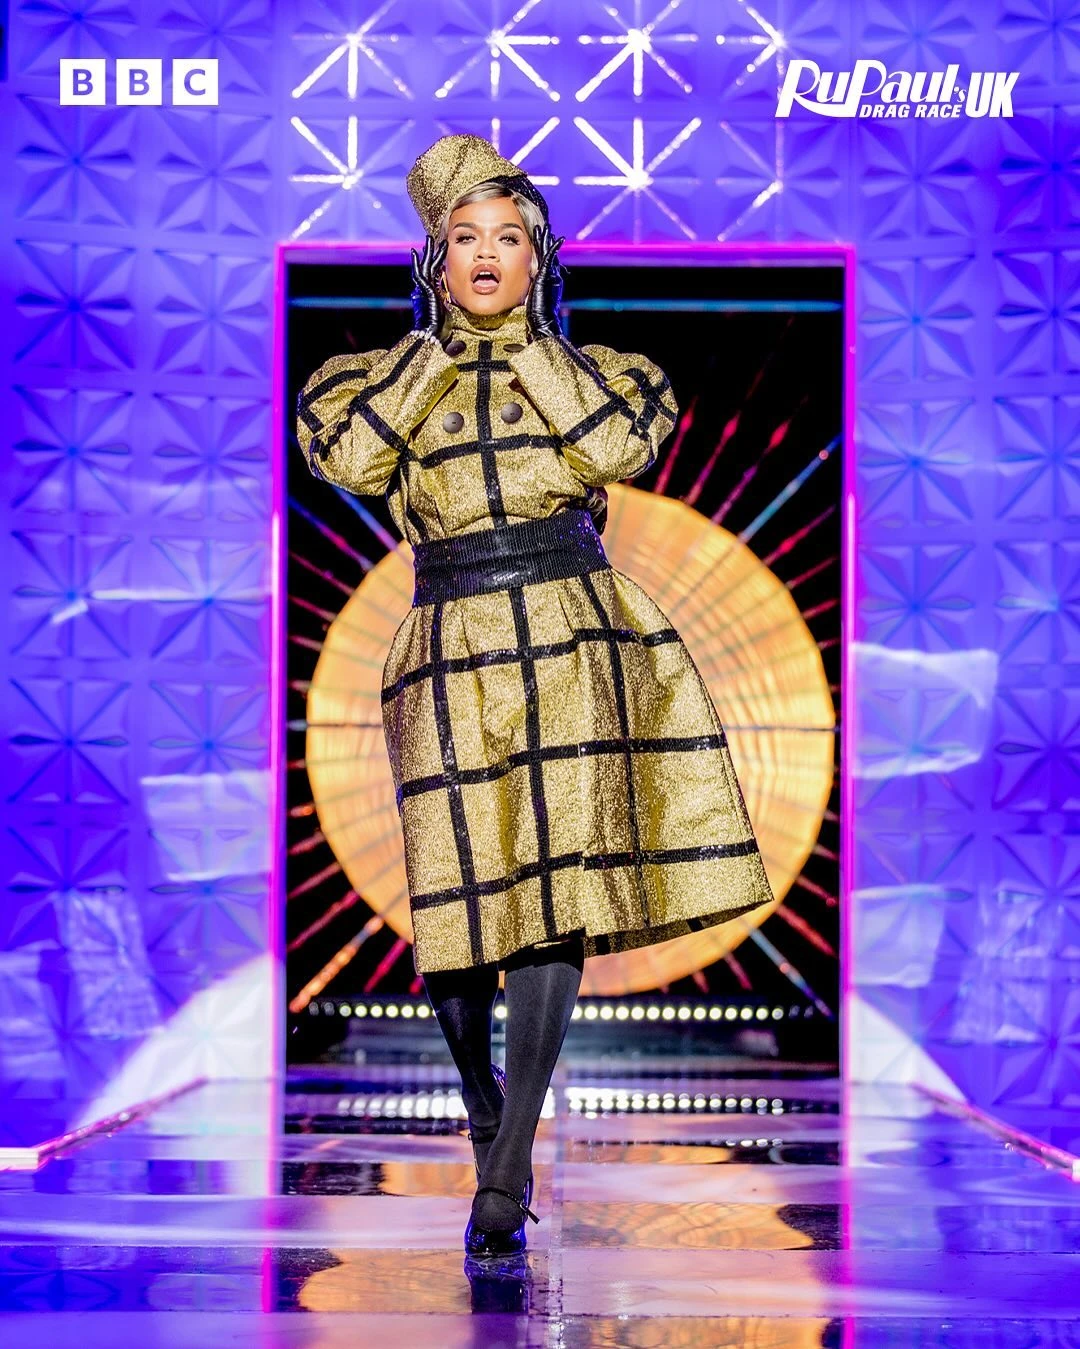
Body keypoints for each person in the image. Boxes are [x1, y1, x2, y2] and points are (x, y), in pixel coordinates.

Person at [295, 133, 775, 1258]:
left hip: (570, 632)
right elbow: (352, 464)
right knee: (458, 897)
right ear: (433, 258)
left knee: (554, 890)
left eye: (509, 238)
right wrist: (437, 347)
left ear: (539, 256)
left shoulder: (601, 369)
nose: (486, 256)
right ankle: (485, 1104)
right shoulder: (366, 381)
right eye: (463, 238)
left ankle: (507, 1167)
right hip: (449, 637)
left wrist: (529, 343)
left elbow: (619, 447)